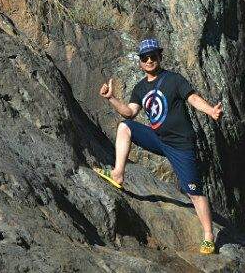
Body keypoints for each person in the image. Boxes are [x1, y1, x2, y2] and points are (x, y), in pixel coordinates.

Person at [95, 37, 223, 256]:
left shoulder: (173, 80)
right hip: (157, 138)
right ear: (140, 62)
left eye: (153, 56)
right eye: (145, 57)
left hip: (181, 145)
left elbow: (192, 98)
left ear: (160, 57)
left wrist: (210, 110)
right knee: (125, 126)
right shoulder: (140, 87)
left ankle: (209, 236)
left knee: (194, 192)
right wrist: (111, 99)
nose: (150, 60)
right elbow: (130, 112)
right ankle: (117, 174)